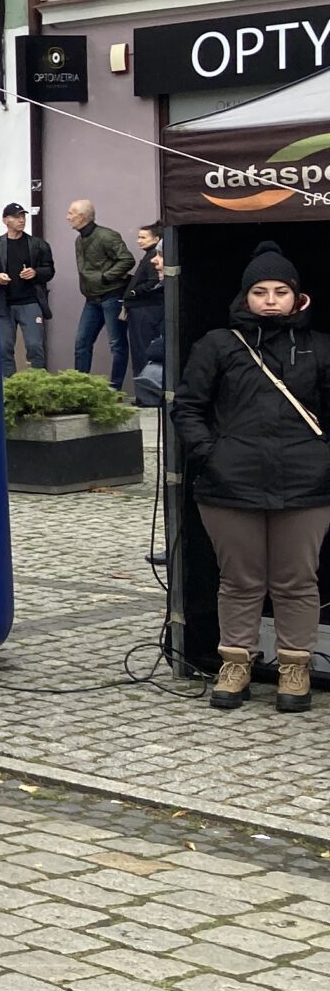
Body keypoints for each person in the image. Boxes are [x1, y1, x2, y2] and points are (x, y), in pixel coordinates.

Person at [174, 242, 327, 714]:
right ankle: (235, 662)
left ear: (298, 296)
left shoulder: (320, 346)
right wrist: (212, 454)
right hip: (230, 484)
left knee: (296, 580)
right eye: (260, 292)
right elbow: (188, 407)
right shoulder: (218, 345)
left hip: (306, 484)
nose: (271, 300)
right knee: (240, 580)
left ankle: (295, 666)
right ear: (245, 297)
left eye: (281, 291)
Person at [69, 200, 135, 387]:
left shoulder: (107, 236)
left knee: (117, 344)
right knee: (82, 343)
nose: (68, 217)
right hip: (92, 299)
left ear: (82, 217)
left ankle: (115, 388)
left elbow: (127, 259)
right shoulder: (79, 240)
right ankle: (79, 388)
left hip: (112, 296)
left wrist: (106, 277)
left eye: (71, 213)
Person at [0, 202, 55, 376]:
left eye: (23, 216)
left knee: (34, 346)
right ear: (5, 220)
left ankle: (37, 385)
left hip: (30, 301)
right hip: (4, 304)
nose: (21, 220)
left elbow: (49, 270)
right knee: (3, 348)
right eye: (16, 217)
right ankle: (9, 385)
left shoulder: (37, 244)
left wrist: (35, 272)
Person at [126, 222, 167, 405]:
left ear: (156, 239)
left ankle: (146, 395)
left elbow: (152, 282)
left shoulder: (152, 257)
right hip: (142, 308)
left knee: (143, 351)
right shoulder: (149, 257)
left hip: (145, 309)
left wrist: (134, 292)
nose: (139, 241)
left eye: (143, 237)